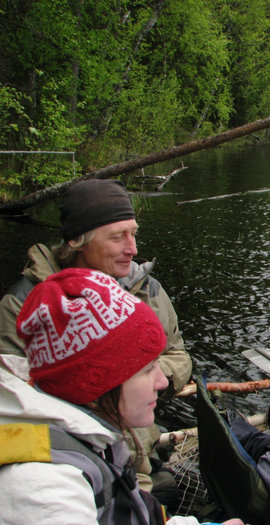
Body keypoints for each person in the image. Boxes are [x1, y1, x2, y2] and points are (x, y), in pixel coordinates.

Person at [0, 268, 238, 525]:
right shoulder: (47, 496)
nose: (161, 381)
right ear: (94, 383)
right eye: (147, 369)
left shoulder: (89, 435)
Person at [0, 178, 192, 495]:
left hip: (140, 455)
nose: (133, 249)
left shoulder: (148, 289)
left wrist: (141, 375)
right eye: (118, 237)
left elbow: (179, 356)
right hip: (79, 467)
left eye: (134, 234)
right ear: (77, 241)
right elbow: (21, 403)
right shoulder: (24, 307)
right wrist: (120, 378)